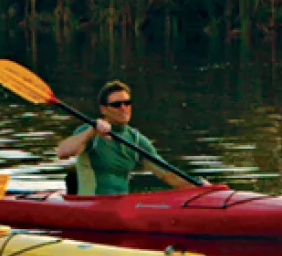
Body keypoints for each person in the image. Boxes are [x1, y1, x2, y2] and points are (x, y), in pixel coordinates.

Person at [55, 79, 196, 195]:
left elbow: (167, 175)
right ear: (104, 109)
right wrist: (92, 131)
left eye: (127, 103)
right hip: (91, 205)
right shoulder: (89, 132)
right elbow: (63, 152)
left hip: (121, 206)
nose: (123, 108)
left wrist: (200, 187)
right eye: (116, 104)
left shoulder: (136, 140)